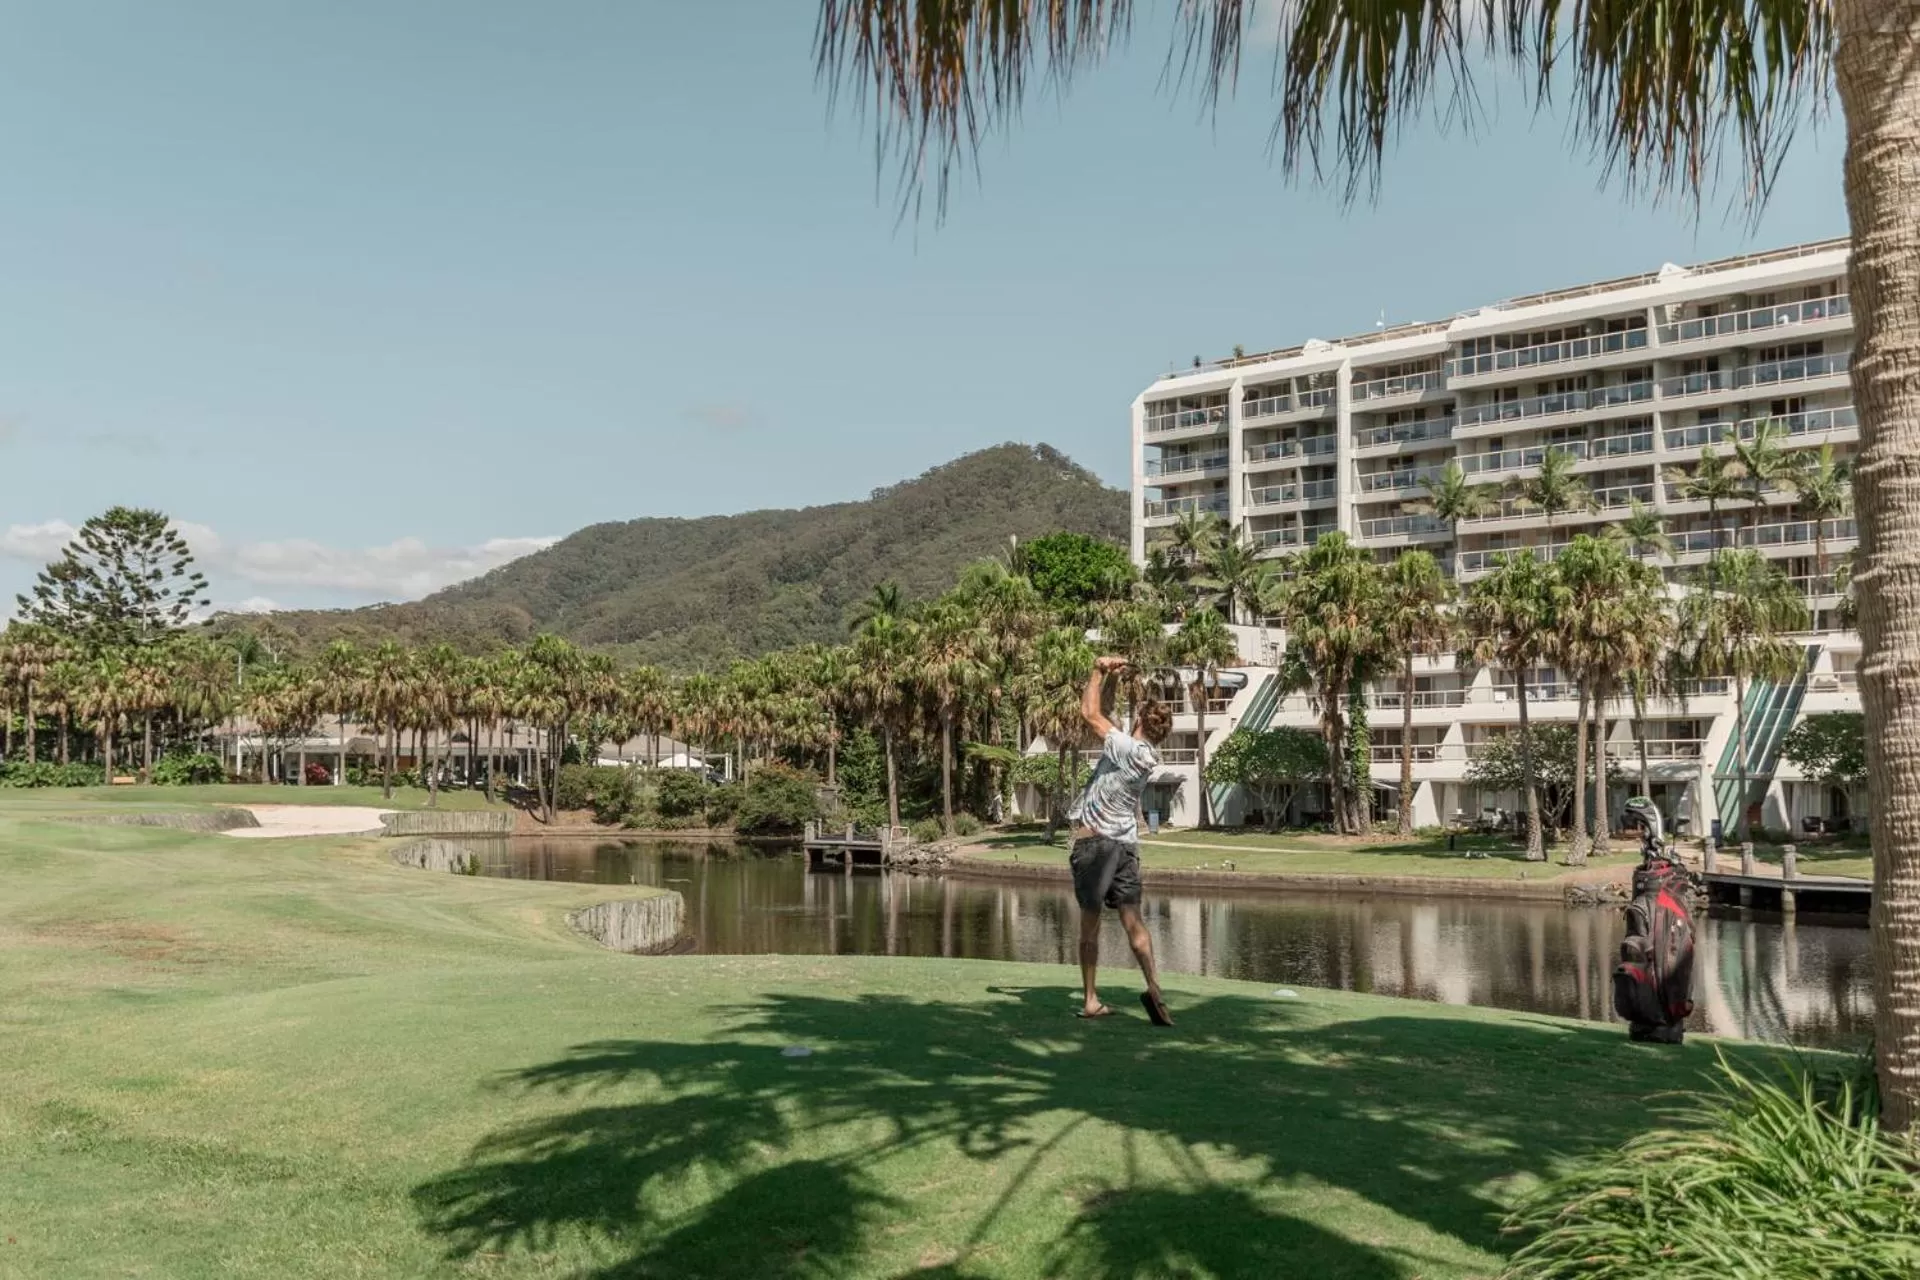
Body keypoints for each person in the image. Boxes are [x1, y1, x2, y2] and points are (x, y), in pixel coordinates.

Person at [1067, 655, 1176, 1025]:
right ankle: (1156, 991)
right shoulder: (1144, 754)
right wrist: (1112, 678)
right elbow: (1107, 711)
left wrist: (1096, 669)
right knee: (1133, 921)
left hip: (1095, 843)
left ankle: (1091, 1000)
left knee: (1089, 929)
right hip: (1127, 845)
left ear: (1143, 721)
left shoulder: (1127, 749)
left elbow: (1090, 714)